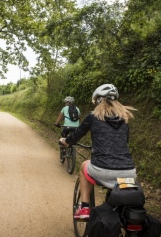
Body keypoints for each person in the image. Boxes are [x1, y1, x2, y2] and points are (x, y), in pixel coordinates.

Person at [59, 84, 138, 220]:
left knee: (84, 166)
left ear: (98, 100)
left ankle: (84, 208)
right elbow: (123, 142)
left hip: (101, 169)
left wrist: (65, 141)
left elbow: (76, 136)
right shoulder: (125, 118)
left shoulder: (93, 116)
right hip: (129, 172)